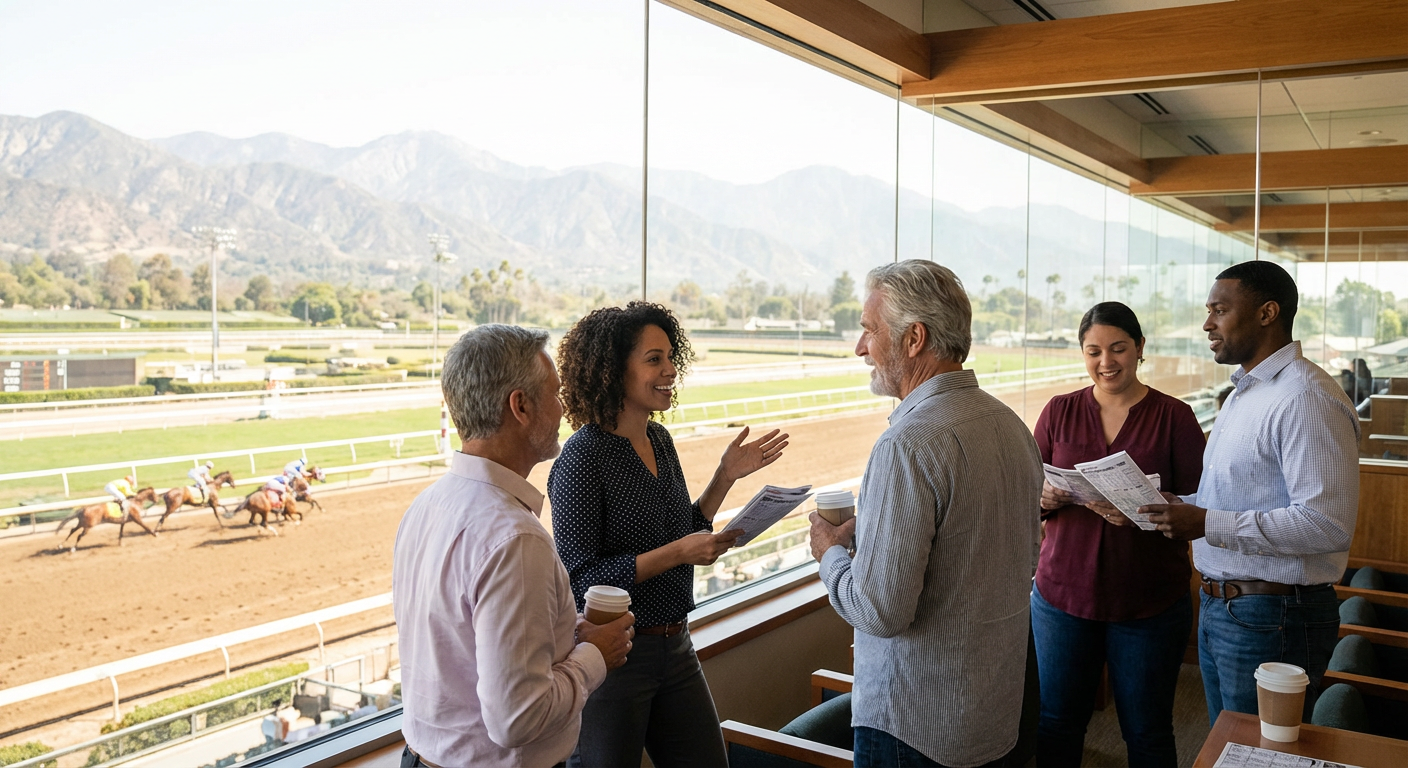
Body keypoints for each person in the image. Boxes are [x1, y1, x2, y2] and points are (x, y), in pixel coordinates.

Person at [808, 260, 1043, 768]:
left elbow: (879, 612)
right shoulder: (1012, 427)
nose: (860, 347)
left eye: (870, 330)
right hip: (993, 716)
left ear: (914, 338)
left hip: (913, 727)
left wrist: (831, 555)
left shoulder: (907, 444)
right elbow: (1024, 558)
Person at [550, 301, 788, 768]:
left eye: (670, 357)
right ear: (613, 370)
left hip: (676, 645)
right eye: (654, 359)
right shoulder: (581, 460)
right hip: (617, 657)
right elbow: (582, 578)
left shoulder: (660, 440)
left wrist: (724, 477)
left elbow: (683, 531)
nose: (670, 370)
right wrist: (680, 552)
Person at [393, 324, 634, 768]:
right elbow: (519, 719)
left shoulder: (425, 505)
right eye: (555, 394)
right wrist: (595, 654)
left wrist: (564, 635)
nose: (563, 409)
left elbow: (463, 645)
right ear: (520, 406)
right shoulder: (515, 539)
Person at [1141, 260, 1361, 724]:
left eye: (1219, 310)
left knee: (1259, 755)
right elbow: (1238, 499)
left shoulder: (1305, 397)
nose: (1207, 324)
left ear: (1266, 313)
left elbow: (1326, 525)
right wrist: (1177, 509)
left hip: (1274, 615)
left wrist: (1204, 523)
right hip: (1230, 607)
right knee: (1233, 746)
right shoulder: (1247, 392)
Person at [1031, 302, 1205, 768]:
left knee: (1147, 731)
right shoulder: (1059, 411)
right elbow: (1025, 494)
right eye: (1094, 351)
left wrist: (1149, 506)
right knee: (1058, 722)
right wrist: (1044, 499)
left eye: (1118, 349)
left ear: (1140, 348)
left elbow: (1202, 508)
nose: (1106, 362)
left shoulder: (1175, 417)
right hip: (1061, 599)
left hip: (1148, 603)